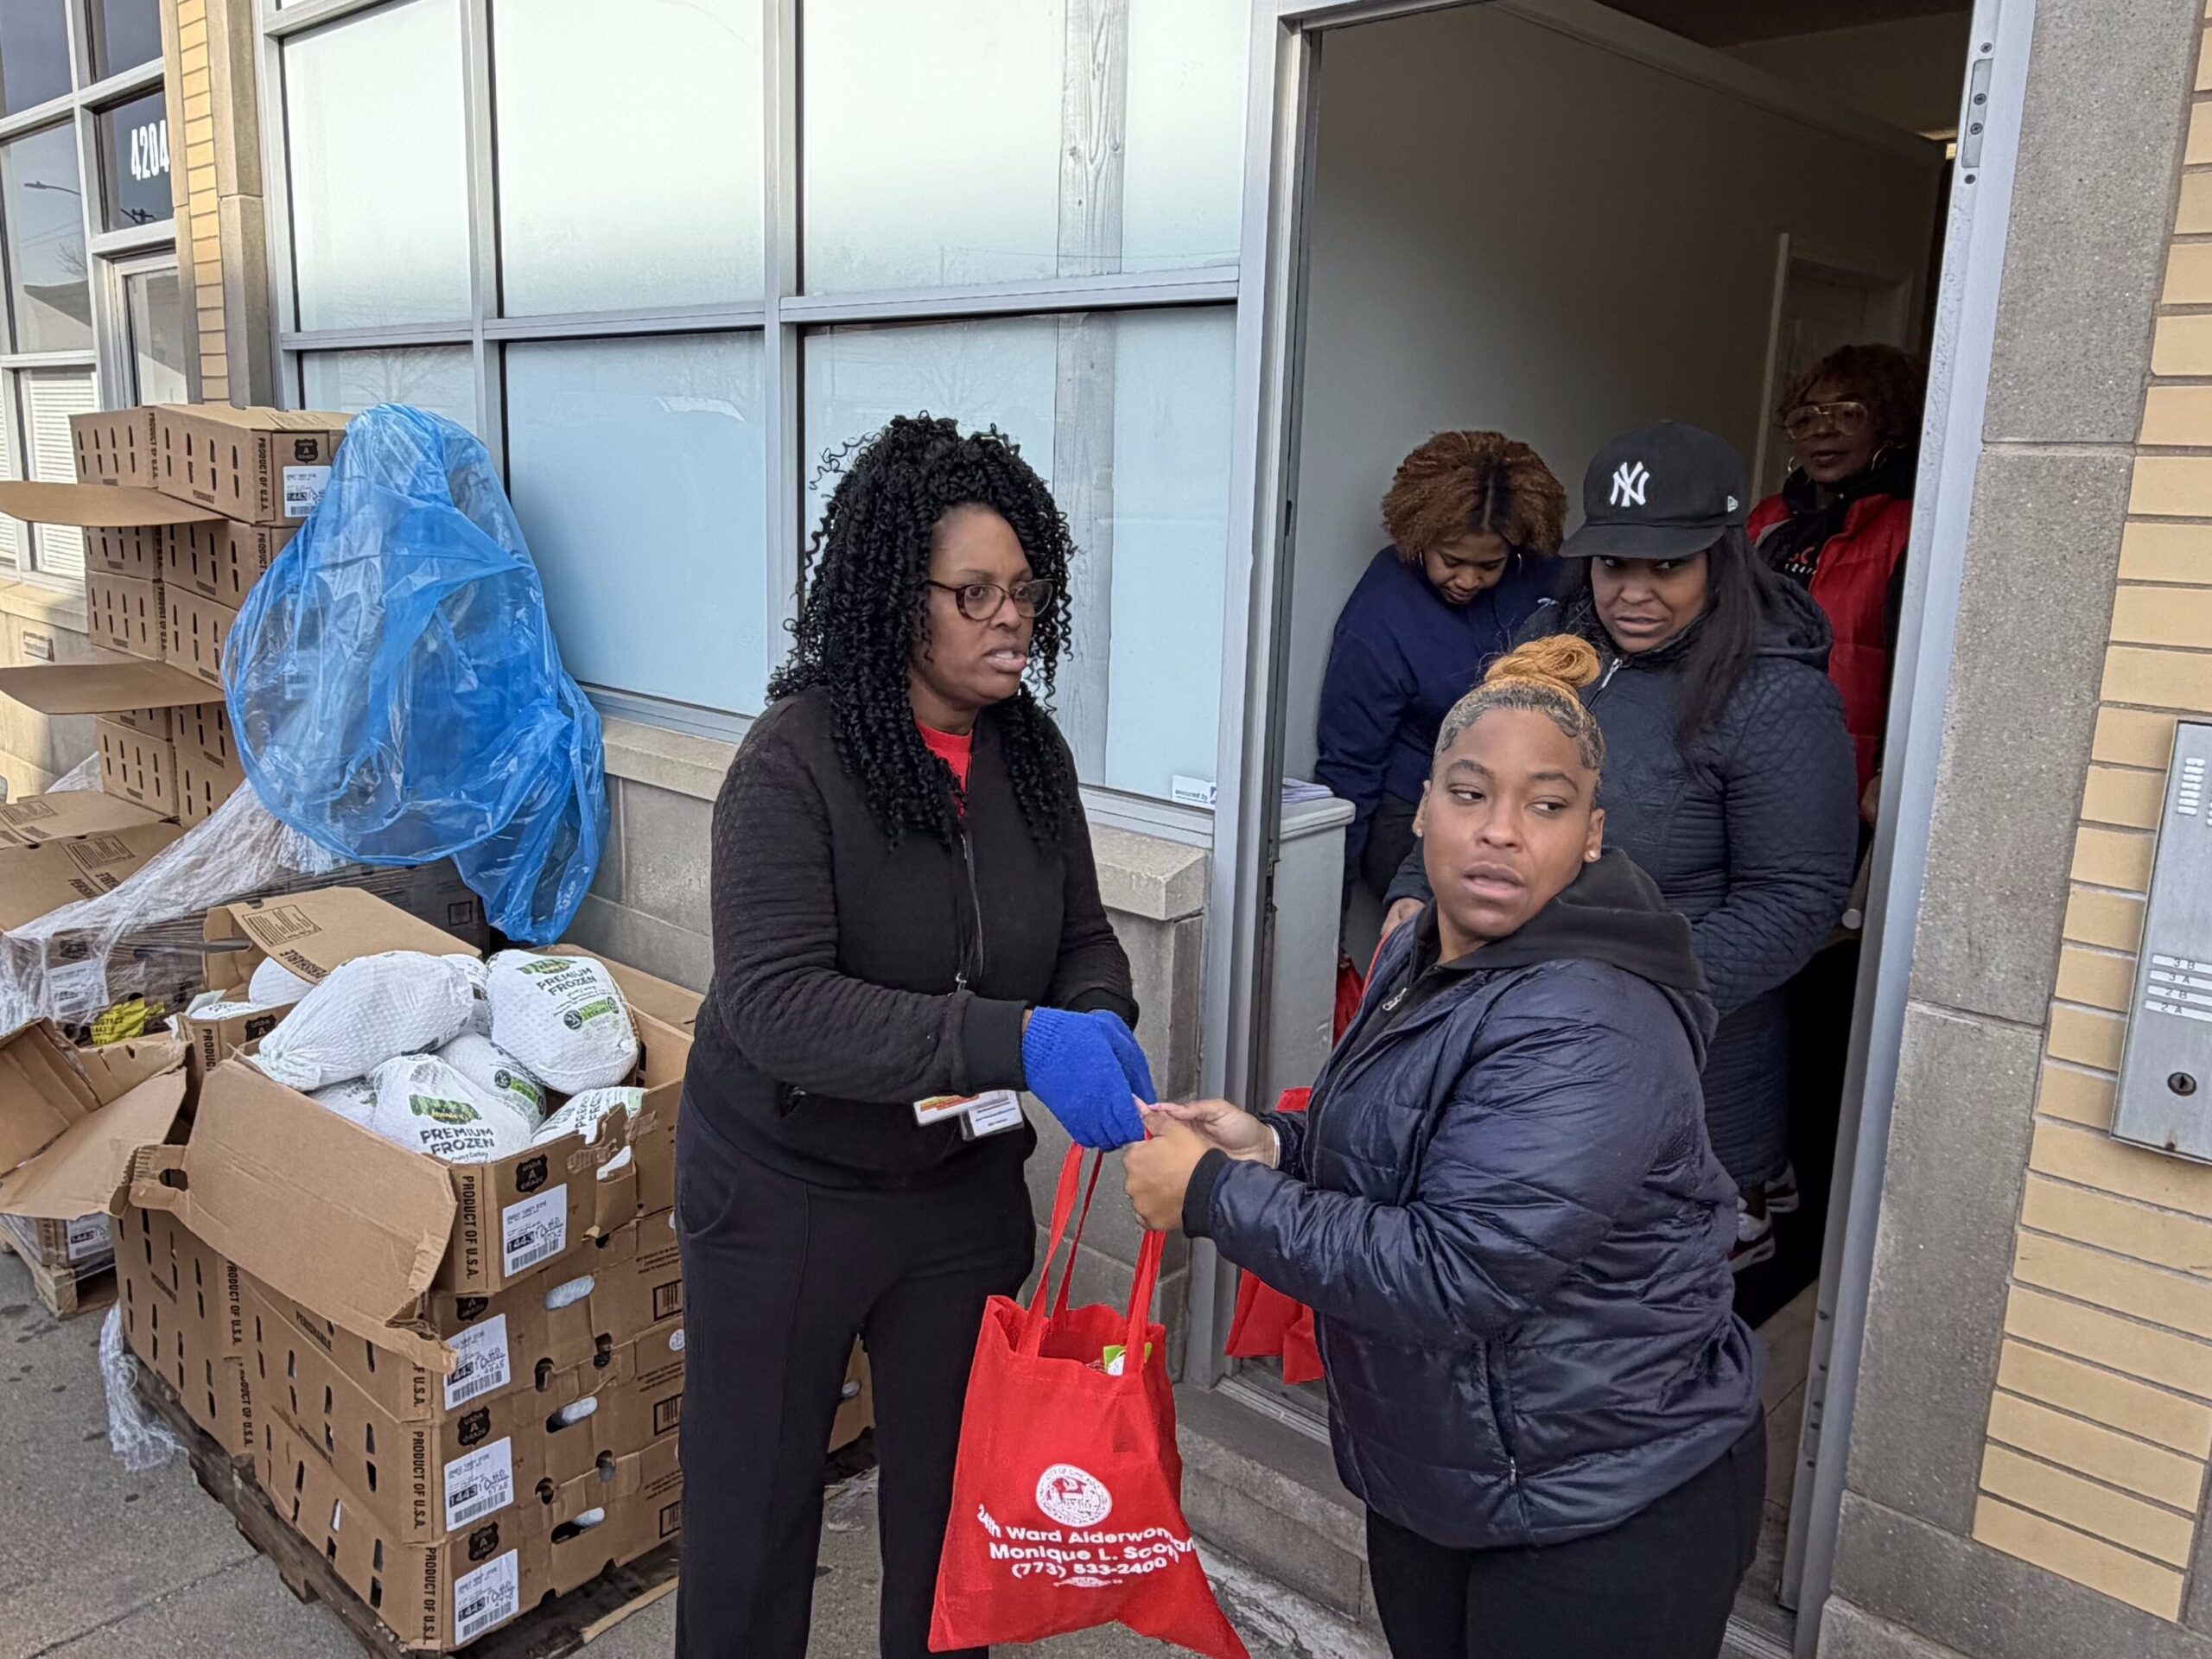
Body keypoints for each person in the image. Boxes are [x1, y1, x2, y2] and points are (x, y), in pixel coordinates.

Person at [1126, 636, 1765, 1659]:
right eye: (1469, 794)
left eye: (1546, 806)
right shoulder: (1424, 947)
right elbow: (1411, 1147)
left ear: (1591, 836)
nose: (1499, 831)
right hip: (1456, 1475)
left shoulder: (1592, 1018)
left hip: (1599, 1503)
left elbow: (1456, 1269)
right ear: (1423, 807)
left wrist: (1212, 1196)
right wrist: (1275, 1146)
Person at [676, 416, 1153, 1659]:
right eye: (973, 593)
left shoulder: (1029, 754)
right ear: (900, 596)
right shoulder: (794, 761)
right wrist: (1016, 1042)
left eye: (1024, 592)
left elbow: (1083, 938)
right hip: (785, 1190)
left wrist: (1096, 1022)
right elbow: (776, 1004)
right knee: (751, 1524)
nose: (1010, 621)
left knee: (952, 1535)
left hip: (956, 1198)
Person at [1382, 423, 1857, 1269]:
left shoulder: (1773, 696)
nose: (1633, 593)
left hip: (1686, 1069)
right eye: (1613, 565)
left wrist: (1621, 993)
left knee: (1643, 1307)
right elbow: (1467, 782)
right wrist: (1416, 887)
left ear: (1720, 560)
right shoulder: (1549, 652)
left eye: (1666, 567)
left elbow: (1793, 900)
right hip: (1527, 1047)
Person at [1315, 430, 1566, 901]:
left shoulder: (1545, 577)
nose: (1468, 579)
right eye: (1452, 560)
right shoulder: (1380, 613)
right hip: (1413, 803)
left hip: (1529, 793)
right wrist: (1329, 908)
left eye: (1490, 566)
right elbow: (1350, 765)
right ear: (1419, 536)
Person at [1750, 343, 1927, 817]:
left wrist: (1892, 769)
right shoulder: (1768, 520)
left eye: (1848, 413)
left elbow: (1922, 666)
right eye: (1806, 417)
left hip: (1845, 779)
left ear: (1891, 425)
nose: (1822, 429)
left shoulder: (1909, 527)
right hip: (1747, 757)